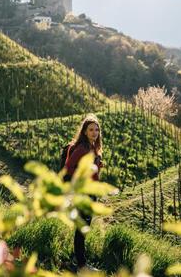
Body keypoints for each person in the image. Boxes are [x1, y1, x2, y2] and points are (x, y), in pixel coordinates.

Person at [64, 114, 103, 272]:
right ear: (85, 132)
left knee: (84, 228)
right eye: (91, 129)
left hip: (91, 192)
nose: (94, 132)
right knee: (82, 228)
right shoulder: (82, 148)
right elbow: (69, 168)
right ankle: (81, 266)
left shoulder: (93, 147)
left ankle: (79, 263)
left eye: (97, 129)